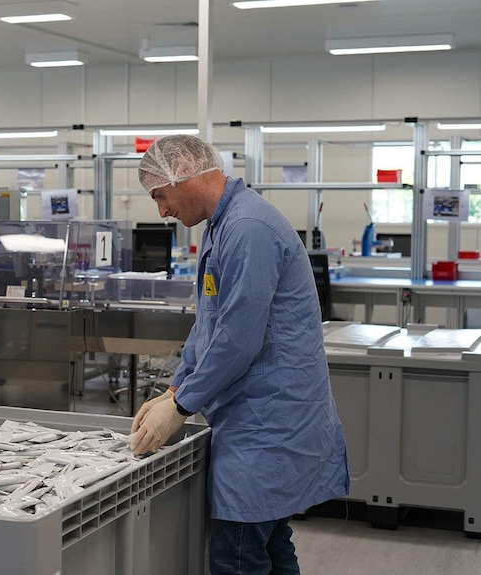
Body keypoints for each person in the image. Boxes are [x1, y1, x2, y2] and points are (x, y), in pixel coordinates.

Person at [130, 135, 349, 575]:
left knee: (237, 556)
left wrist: (180, 405)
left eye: (160, 195)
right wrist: (175, 384)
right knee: (270, 549)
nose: (162, 212)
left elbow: (238, 339)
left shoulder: (248, 227)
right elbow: (209, 323)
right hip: (253, 423)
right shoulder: (222, 225)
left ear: (187, 169)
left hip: (266, 427)